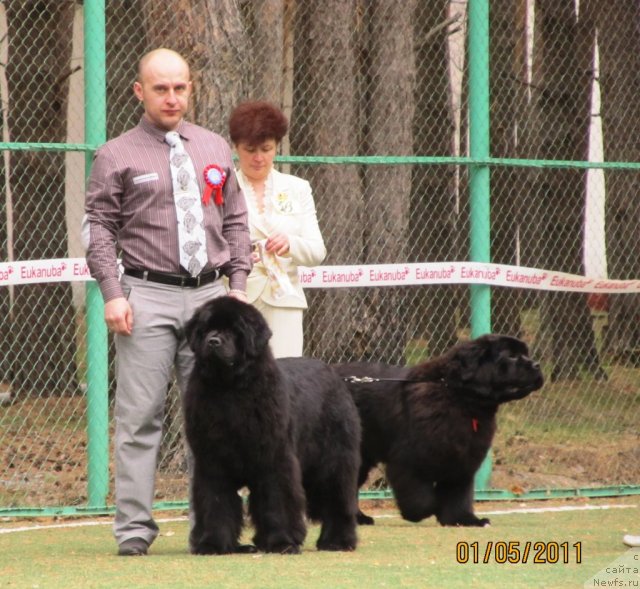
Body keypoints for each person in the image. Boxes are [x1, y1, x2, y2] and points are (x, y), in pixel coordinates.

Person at [85, 48, 251, 556]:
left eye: (180, 87)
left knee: (216, 422)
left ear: (190, 88)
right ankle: (135, 532)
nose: (172, 97)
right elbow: (98, 232)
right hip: (146, 297)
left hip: (209, 301)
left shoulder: (214, 146)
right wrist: (113, 294)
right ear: (139, 91)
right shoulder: (116, 154)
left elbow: (236, 220)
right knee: (140, 419)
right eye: (161, 88)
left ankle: (212, 531)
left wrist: (237, 286)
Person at [228, 100, 326, 358]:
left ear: (276, 147)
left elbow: (317, 252)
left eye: (266, 149)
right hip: (237, 300)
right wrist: (234, 259)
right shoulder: (222, 188)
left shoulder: (298, 188)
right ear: (236, 148)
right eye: (250, 150)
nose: (258, 158)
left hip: (284, 301)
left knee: (285, 381)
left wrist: (291, 244)